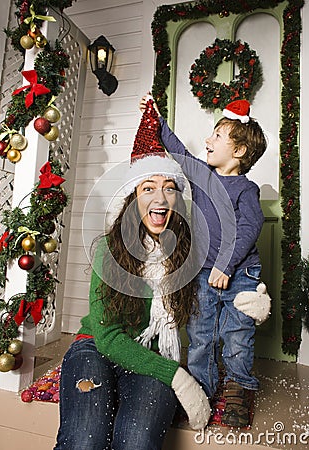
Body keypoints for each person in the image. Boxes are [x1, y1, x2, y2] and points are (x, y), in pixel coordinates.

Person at [54, 99, 210, 450]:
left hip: (152, 354)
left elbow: (218, 299)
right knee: (85, 440)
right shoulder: (111, 251)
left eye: (169, 187)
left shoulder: (187, 255)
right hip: (94, 346)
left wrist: (249, 295)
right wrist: (179, 378)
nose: (160, 196)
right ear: (133, 199)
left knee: (136, 441)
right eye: (148, 187)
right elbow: (107, 337)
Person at [140, 95, 271, 428]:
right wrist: (157, 119)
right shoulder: (201, 176)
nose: (208, 141)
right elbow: (179, 150)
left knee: (237, 335)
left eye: (216, 136)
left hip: (239, 273)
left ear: (239, 151)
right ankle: (201, 390)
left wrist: (225, 266)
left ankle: (240, 388)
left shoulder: (246, 189)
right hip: (202, 273)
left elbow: (249, 228)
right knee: (201, 336)